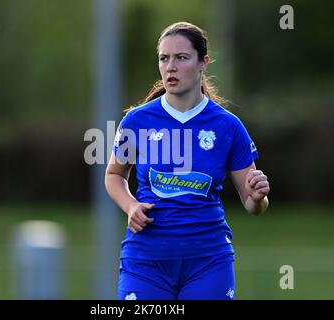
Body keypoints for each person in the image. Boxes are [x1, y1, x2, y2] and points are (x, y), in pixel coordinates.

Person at [105, 21, 270, 300]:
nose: (170, 66)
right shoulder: (137, 120)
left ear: (203, 62)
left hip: (208, 263)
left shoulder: (227, 126)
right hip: (145, 261)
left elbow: (253, 205)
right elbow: (114, 176)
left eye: (181, 58)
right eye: (164, 58)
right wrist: (130, 205)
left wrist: (256, 197)